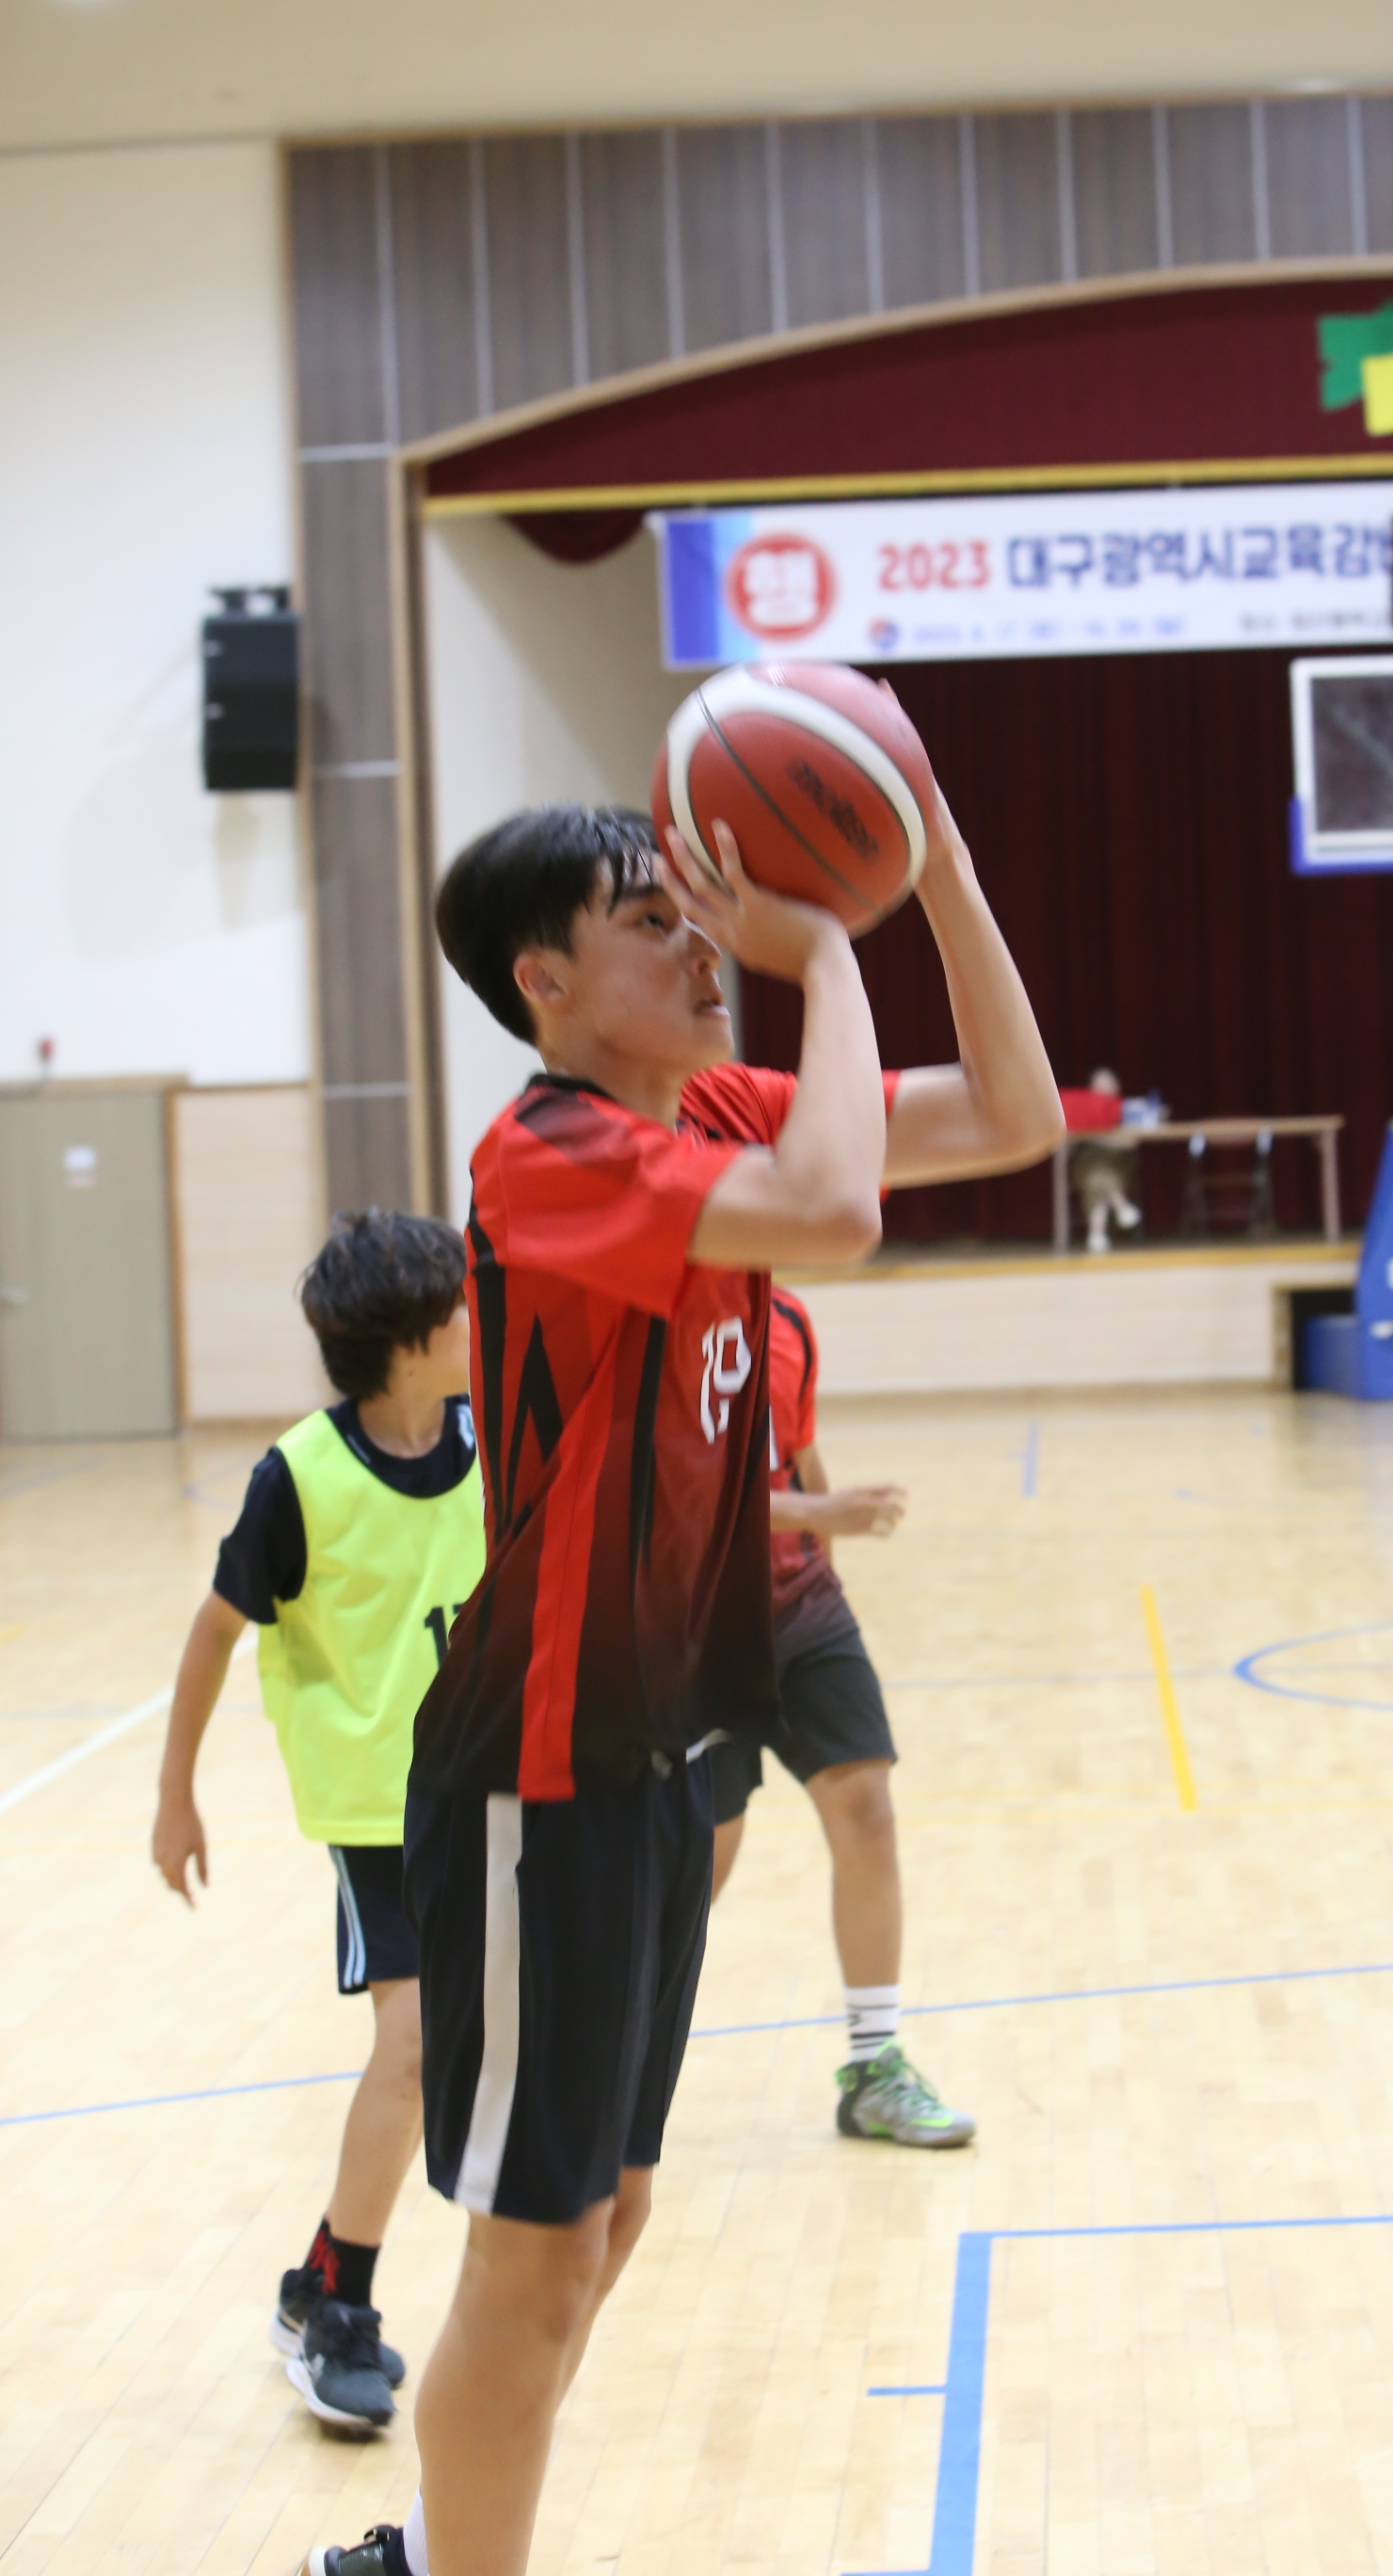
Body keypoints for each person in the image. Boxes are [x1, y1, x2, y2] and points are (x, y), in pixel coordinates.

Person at [296, 787, 1061, 2576]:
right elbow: (838, 1207)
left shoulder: (704, 1115)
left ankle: (424, 2550)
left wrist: (941, 864)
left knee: (609, 2214)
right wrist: (826, 946)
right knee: (536, 2252)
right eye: (652, 920)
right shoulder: (547, 1151)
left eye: (696, 913)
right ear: (545, 982)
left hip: (656, 1756)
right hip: (536, 1774)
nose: (701, 941)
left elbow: (1012, 1115)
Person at [152, 1210, 484, 2430]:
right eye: (458, 1305)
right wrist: (176, 1794)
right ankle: (343, 2309)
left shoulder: (489, 1439)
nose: (478, 1318)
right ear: (407, 1342)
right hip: (375, 1806)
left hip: (484, 1789)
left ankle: (316, 2280)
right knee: (414, 2042)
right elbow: (215, 1633)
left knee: (455, 2053)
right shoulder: (297, 1478)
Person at [707, 1282, 971, 2147]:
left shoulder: (786, 1320)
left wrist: (821, 1553)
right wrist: (819, 1512)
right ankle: (606, 2057)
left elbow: (799, 1455)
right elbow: (671, 1489)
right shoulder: (652, 1321)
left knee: (867, 1813)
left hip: (800, 1604)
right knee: (697, 1865)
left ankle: (873, 2068)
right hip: (691, 1624)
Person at [1062, 1068, 1142, 1251]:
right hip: (1086, 1165)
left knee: (1099, 1180)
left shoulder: (1125, 1111)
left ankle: (1096, 1235)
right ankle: (1121, 1206)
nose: (1104, 1087)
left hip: (1116, 1165)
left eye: (1108, 1082)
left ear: (1116, 1086)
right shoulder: (1080, 1112)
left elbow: (1131, 1142)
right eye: (1100, 1083)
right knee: (1096, 1175)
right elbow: (1068, 1147)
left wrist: (1099, 1137)